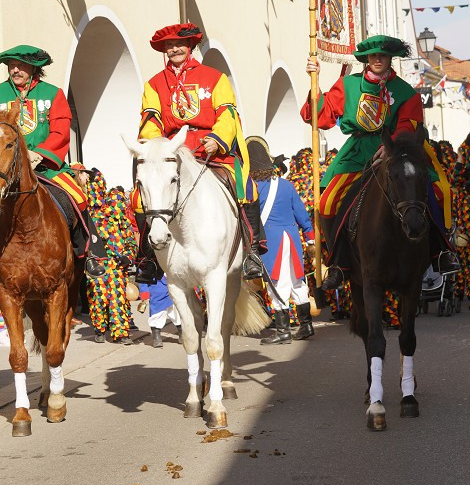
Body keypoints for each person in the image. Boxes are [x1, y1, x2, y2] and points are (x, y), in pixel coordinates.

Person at [137, 23, 264, 282]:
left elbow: (228, 114)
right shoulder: (153, 85)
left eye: (178, 44)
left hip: (210, 150)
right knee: (140, 196)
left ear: (190, 46)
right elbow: (150, 119)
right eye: (169, 46)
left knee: (246, 186)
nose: (174, 49)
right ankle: (148, 257)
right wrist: (159, 146)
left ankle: (251, 252)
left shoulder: (215, 78)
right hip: (173, 151)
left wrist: (217, 139)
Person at [303, 36, 430, 290]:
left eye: (382, 56)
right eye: (373, 56)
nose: (378, 60)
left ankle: (440, 253)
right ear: (366, 59)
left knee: (437, 190)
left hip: (394, 150)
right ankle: (339, 262)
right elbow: (321, 117)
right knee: (327, 202)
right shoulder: (348, 85)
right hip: (356, 151)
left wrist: (391, 145)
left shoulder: (406, 92)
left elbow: (408, 124)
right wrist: (315, 86)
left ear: (389, 58)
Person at [0, 45, 106, 276]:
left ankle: (90, 252)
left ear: (34, 68)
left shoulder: (53, 94)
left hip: (45, 167)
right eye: (12, 65)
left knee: (78, 197)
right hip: (3, 171)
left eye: (21, 65)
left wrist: (41, 153)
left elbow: (61, 131)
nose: (15, 70)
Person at [248, 137, 316, 345]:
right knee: (297, 281)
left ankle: (283, 331)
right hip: (293, 239)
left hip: (272, 241)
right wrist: (310, 239)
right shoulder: (286, 185)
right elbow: (302, 214)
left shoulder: (253, 189)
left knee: (277, 284)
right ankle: (306, 325)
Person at [138, 274, 182, 348]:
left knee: (177, 313)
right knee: (157, 315)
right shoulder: (147, 263)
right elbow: (143, 280)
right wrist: (145, 296)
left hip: (173, 291)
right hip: (157, 294)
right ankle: (157, 338)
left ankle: (182, 334)